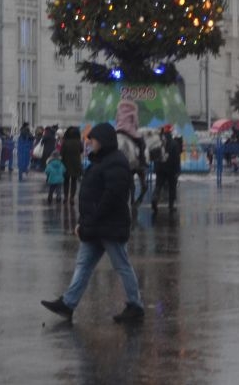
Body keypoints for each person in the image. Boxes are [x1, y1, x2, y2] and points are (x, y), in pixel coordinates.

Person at [41, 122, 145, 324]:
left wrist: (92, 218)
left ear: (103, 141)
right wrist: (84, 221)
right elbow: (92, 195)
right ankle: (68, 303)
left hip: (109, 226)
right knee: (83, 264)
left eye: (94, 140)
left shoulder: (115, 162)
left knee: (121, 265)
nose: (90, 144)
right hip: (96, 225)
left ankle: (135, 305)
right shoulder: (101, 161)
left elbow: (112, 196)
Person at [151, 124, 182, 214]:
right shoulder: (174, 144)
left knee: (158, 186)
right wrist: (178, 170)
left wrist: (156, 168)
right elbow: (177, 158)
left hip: (160, 169)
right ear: (170, 132)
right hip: (171, 170)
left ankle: (154, 199)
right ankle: (171, 206)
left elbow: (155, 156)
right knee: (172, 188)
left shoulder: (158, 143)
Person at [60, 125, 84, 204]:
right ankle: (72, 198)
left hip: (66, 163)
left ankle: (66, 197)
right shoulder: (78, 142)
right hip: (76, 164)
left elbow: (61, 153)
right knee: (74, 181)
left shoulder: (65, 142)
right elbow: (81, 150)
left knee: (66, 181)